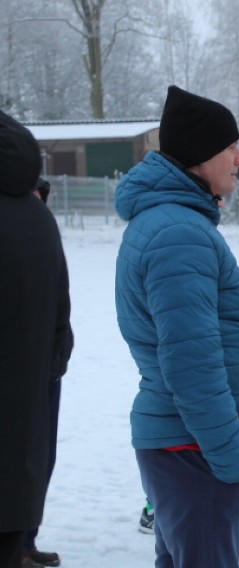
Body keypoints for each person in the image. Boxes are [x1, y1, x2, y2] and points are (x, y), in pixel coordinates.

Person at [114, 85, 239, 568]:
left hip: (185, 442)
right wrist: (228, 455)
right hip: (194, 447)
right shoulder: (178, 234)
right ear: (200, 155)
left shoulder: (176, 223)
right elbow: (190, 358)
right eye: (230, 146)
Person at [0, 112, 72, 568]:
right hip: (35, 374)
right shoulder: (37, 215)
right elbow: (60, 295)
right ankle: (21, 544)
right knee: (27, 466)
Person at [19, 179, 74, 568]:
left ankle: (26, 539)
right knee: (18, 461)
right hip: (17, 369)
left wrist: (60, 349)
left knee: (41, 459)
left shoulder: (43, 234)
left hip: (46, 367)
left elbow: (60, 298)